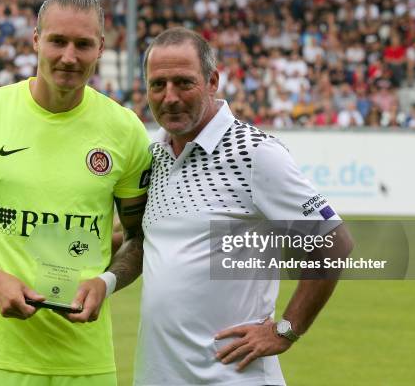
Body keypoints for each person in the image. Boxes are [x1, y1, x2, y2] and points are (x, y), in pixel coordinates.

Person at [0, 0, 151, 385]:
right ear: (37, 39)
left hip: (85, 362)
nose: (69, 56)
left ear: (102, 48)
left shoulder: (125, 130)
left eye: (83, 44)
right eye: (58, 41)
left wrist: (105, 282)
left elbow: (139, 236)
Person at [133, 27, 353, 385]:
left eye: (183, 83)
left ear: (212, 81)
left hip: (234, 377)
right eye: (158, 84)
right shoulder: (153, 155)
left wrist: (286, 330)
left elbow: (334, 244)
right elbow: (141, 241)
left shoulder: (253, 153)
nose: (169, 97)